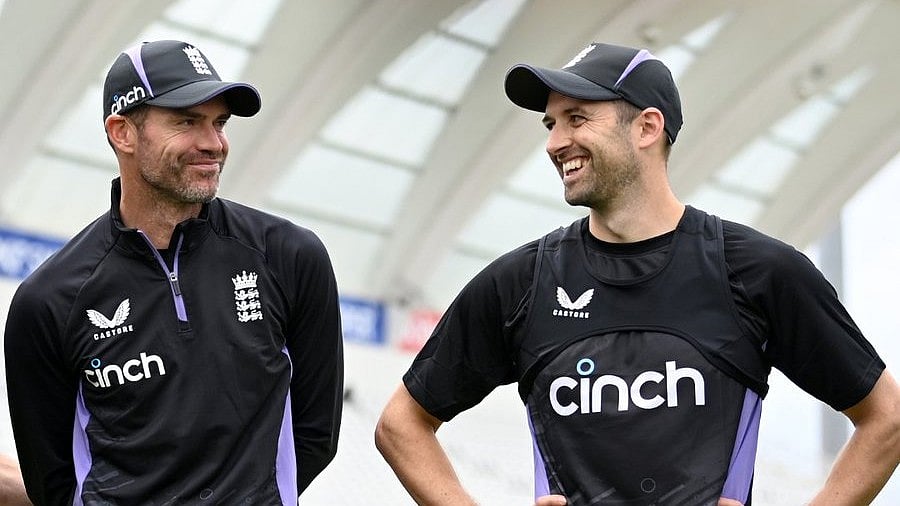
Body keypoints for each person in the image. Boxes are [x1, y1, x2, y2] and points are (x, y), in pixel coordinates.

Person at [375, 42, 900, 505]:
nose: (555, 143)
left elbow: (887, 418)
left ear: (647, 127)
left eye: (577, 119)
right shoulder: (520, 282)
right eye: (550, 124)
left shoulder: (758, 269)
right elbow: (401, 426)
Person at [4, 39, 344, 505]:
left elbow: (316, 433)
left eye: (219, 122)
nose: (213, 143)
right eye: (186, 121)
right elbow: (53, 481)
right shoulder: (49, 300)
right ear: (122, 132)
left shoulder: (289, 256)